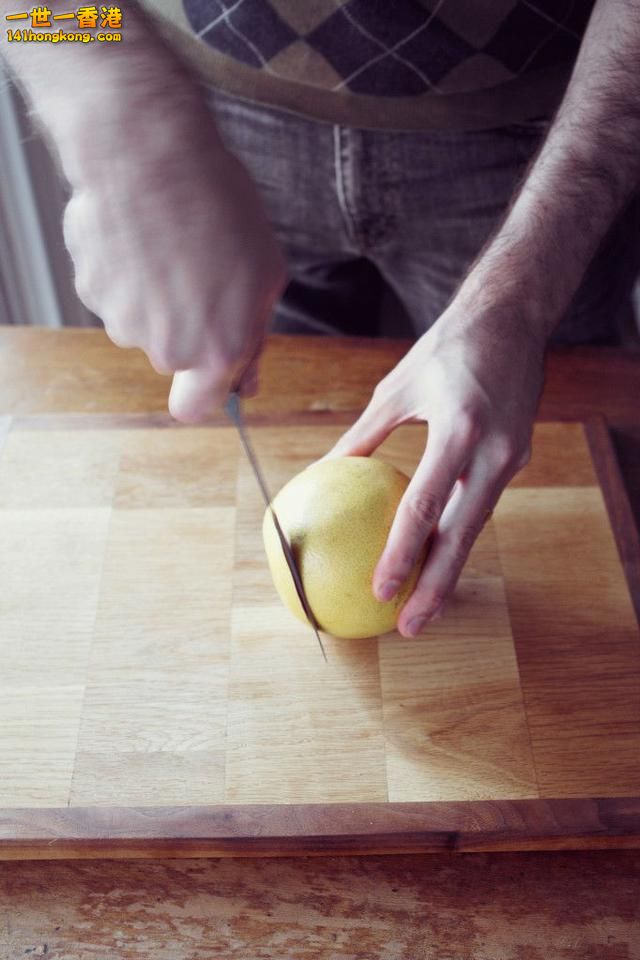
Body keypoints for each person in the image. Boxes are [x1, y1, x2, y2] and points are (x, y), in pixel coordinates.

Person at [2, 1, 639, 638]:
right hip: (204, 103)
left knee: (573, 448)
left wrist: (519, 300)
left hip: (548, 122)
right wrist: (117, 116)